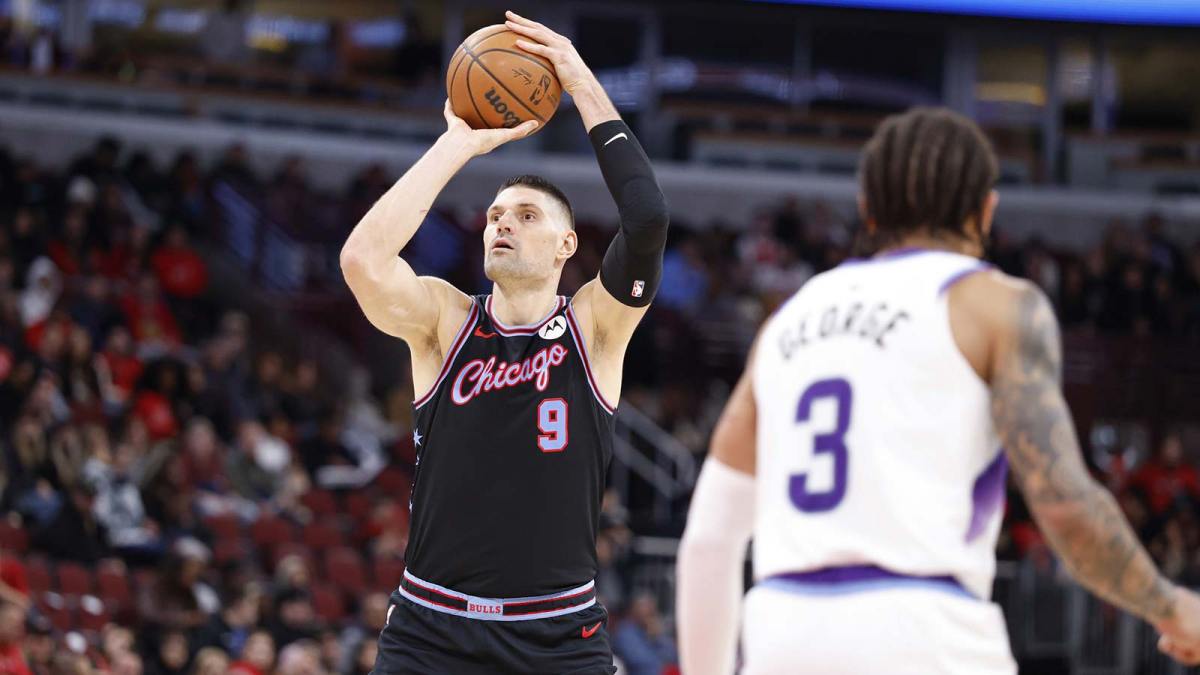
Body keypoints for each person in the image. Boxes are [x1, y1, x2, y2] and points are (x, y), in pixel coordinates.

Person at [675, 107, 1200, 674]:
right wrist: (1170, 607)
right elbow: (1065, 505)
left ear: (868, 209)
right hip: (924, 628)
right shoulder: (999, 305)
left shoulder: (788, 319)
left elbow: (709, 540)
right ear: (985, 210)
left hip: (783, 630)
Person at [340, 11, 669, 673]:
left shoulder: (596, 328)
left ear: (566, 246)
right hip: (430, 630)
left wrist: (579, 83)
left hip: (558, 636)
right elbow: (363, 262)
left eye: (526, 216)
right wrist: (457, 145)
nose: (503, 224)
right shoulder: (445, 319)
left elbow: (648, 217)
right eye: (494, 214)